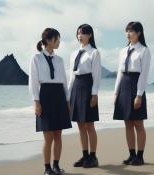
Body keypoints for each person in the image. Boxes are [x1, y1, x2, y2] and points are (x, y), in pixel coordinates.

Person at [29, 28, 72, 175]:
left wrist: (67, 100)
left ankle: (56, 166)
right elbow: (33, 82)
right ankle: (47, 168)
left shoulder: (60, 60)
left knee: (58, 134)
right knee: (48, 136)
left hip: (59, 96)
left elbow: (64, 82)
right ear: (48, 40)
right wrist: (36, 101)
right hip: (45, 96)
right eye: (57, 39)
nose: (59, 42)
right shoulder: (36, 58)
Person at [113, 21, 151, 166]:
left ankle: (140, 156)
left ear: (139, 33)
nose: (128, 34)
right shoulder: (123, 51)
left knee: (138, 123)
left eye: (131, 31)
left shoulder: (144, 51)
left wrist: (139, 94)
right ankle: (131, 154)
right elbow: (119, 73)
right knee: (127, 123)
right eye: (127, 31)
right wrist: (116, 93)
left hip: (136, 85)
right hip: (124, 85)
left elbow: (144, 75)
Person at [68, 24, 101, 168]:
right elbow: (71, 76)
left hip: (88, 87)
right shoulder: (74, 53)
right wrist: (68, 96)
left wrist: (94, 94)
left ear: (90, 35)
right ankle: (85, 155)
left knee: (89, 125)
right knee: (80, 125)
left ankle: (93, 157)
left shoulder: (94, 52)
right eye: (78, 33)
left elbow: (97, 75)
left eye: (82, 33)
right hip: (76, 87)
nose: (79, 36)